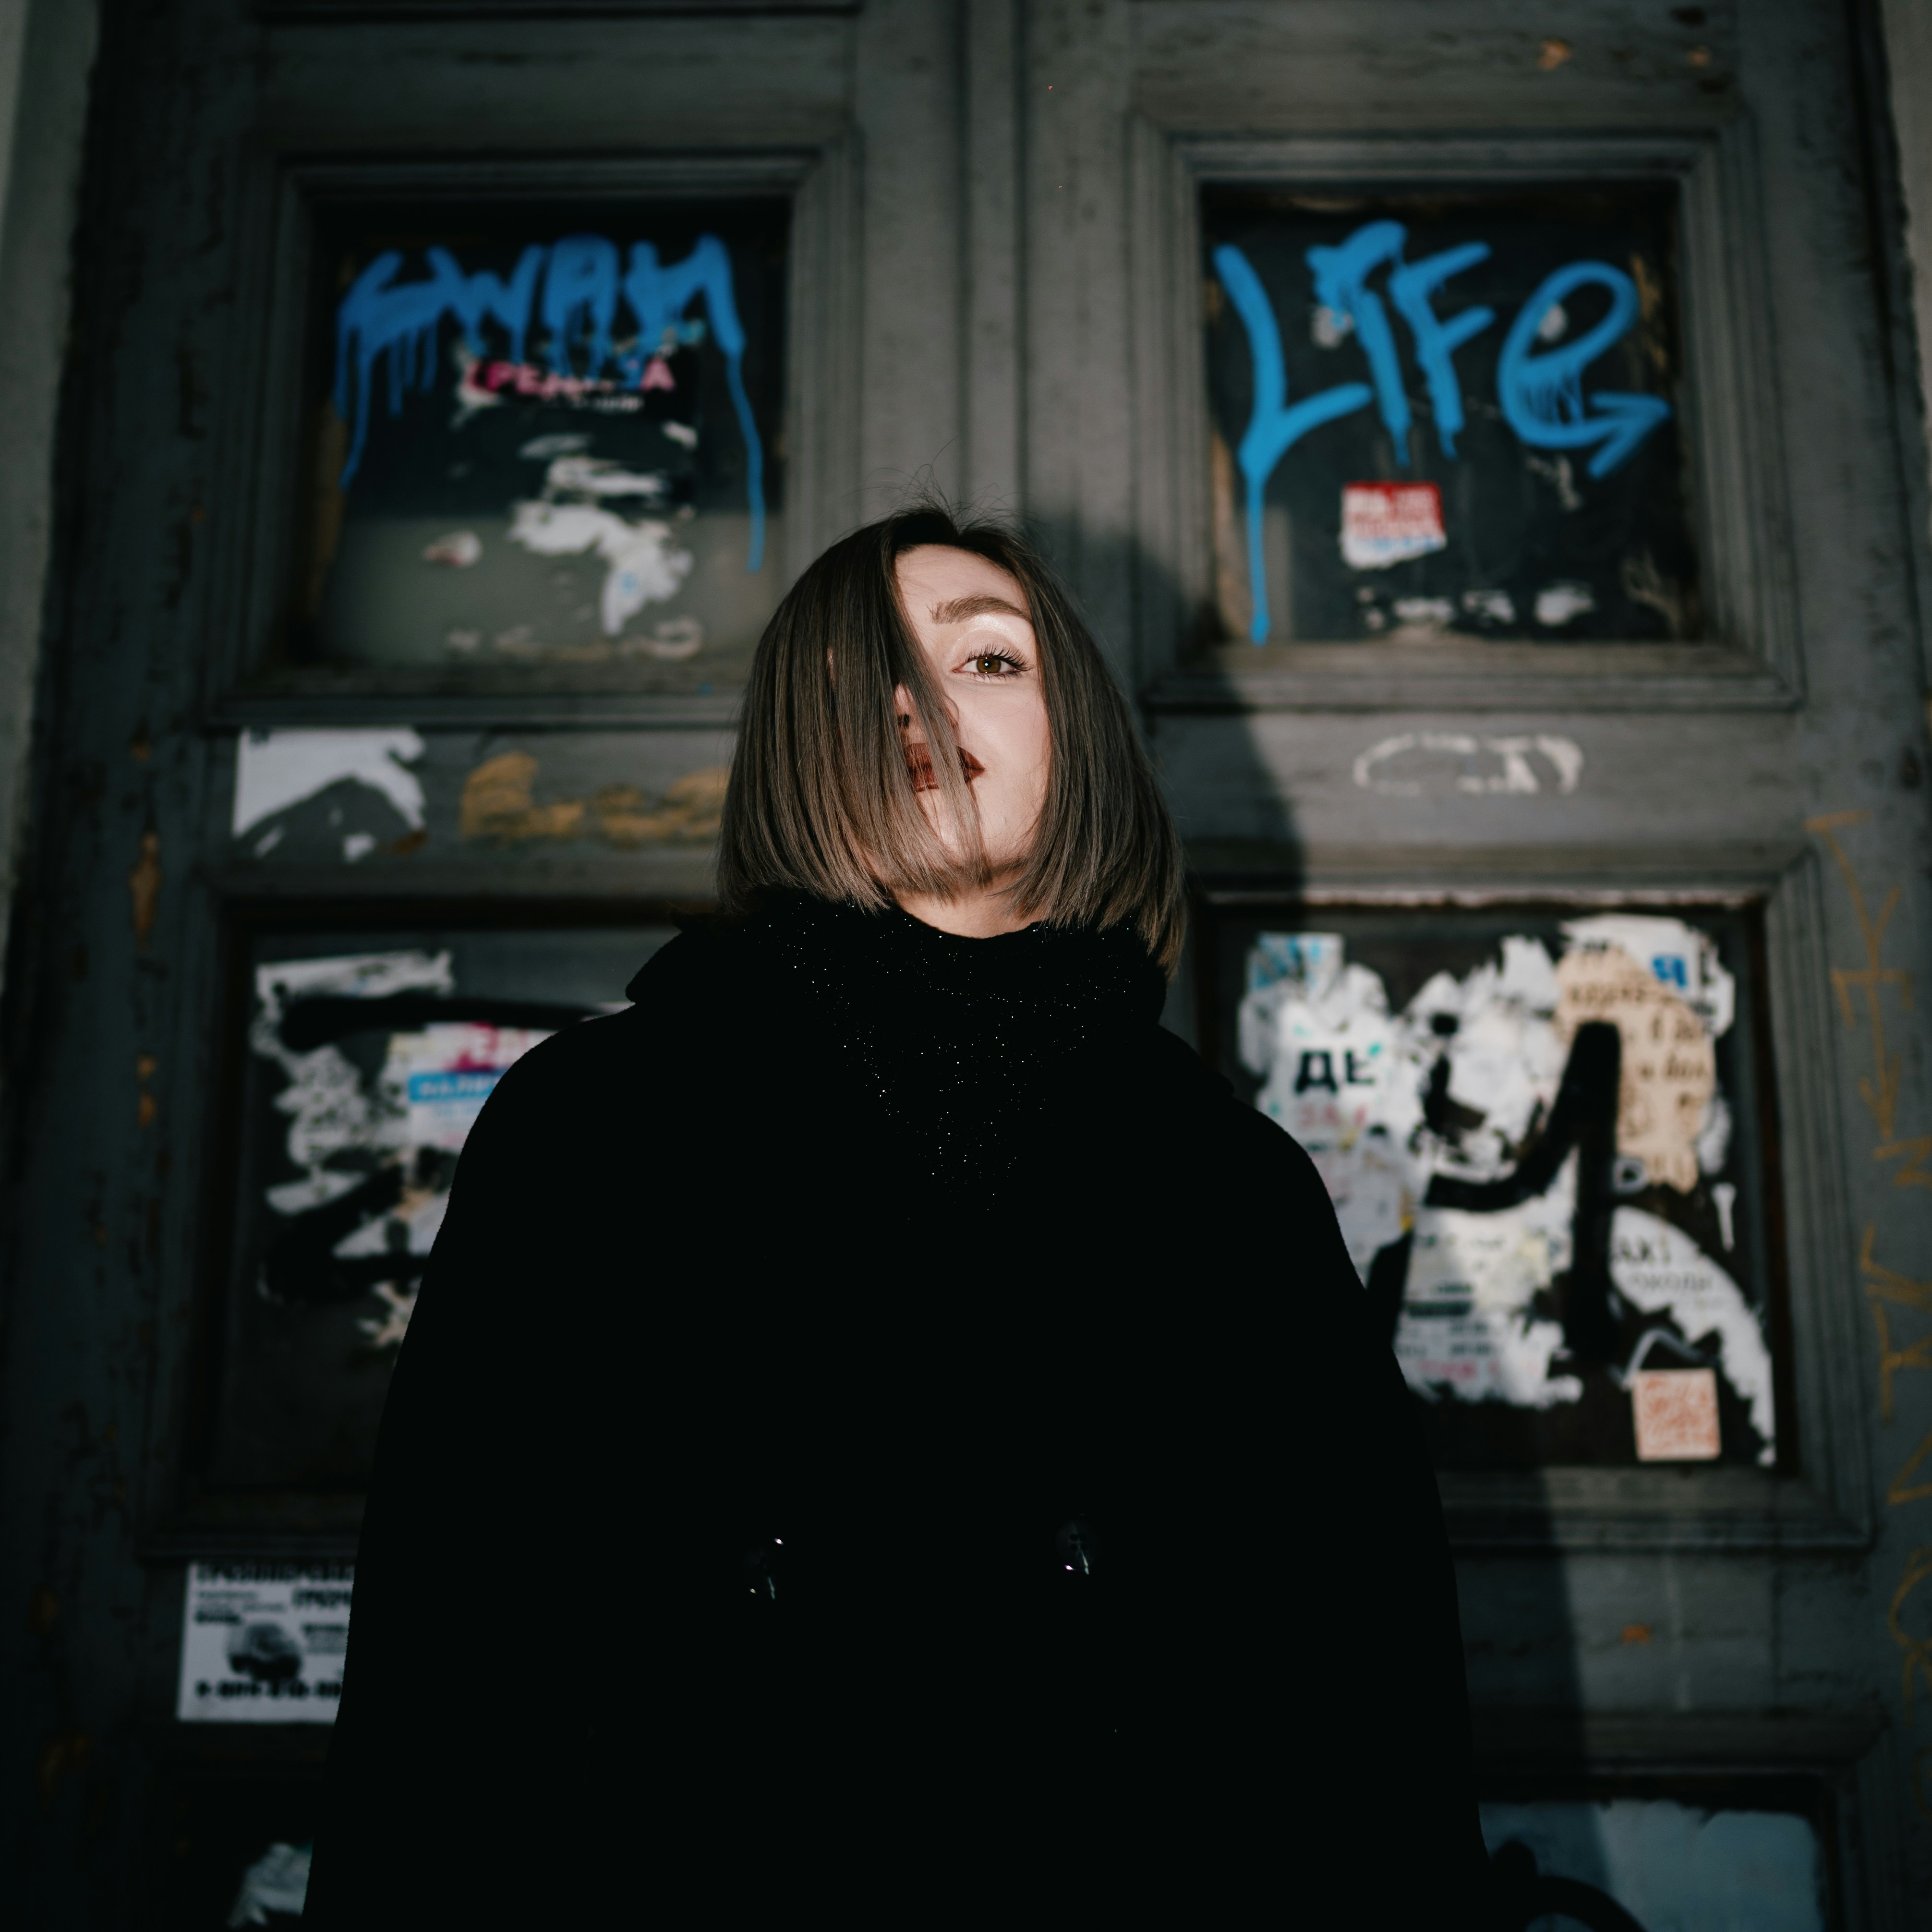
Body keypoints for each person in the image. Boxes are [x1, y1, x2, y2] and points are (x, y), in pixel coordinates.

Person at [304, 506, 1492, 1925]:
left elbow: (1371, 1733)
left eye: (990, 660)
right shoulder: (591, 1130)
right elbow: (443, 1702)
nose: (921, 699)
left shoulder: (1229, 1187)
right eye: (861, 674)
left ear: (1083, 743)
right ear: (802, 749)